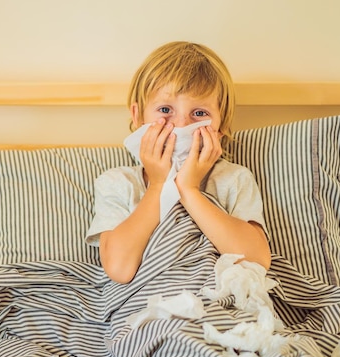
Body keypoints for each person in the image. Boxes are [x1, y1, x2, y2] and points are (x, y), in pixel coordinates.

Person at [86, 41, 271, 284]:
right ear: (138, 116)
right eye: (165, 110)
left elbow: (256, 262)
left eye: (199, 114)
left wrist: (189, 190)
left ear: (221, 126)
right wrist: (159, 185)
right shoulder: (118, 183)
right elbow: (119, 269)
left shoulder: (234, 179)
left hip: (216, 300)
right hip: (149, 303)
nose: (182, 125)